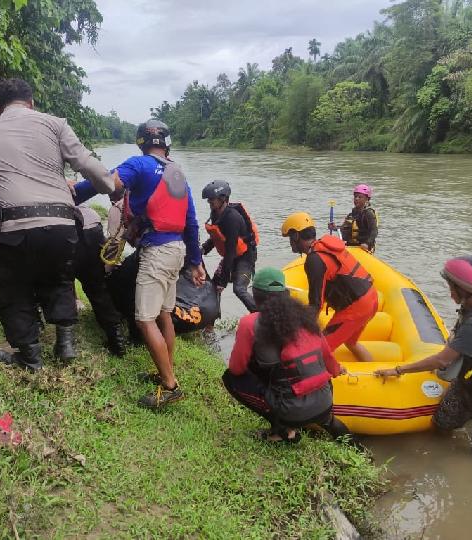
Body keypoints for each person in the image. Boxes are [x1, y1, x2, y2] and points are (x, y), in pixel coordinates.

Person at [0, 78, 115, 371]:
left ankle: (30, 355)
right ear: (32, 102)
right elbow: (88, 164)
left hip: (12, 226)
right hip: (61, 224)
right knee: (59, 276)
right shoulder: (55, 124)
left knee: (12, 287)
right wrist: (111, 186)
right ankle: (65, 344)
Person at [73, 119, 205, 409]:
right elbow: (192, 222)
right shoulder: (178, 174)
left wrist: (75, 193)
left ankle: (170, 386)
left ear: (142, 143)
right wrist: (196, 261)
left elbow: (108, 181)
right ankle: (165, 371)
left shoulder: (140, 164)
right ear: (166, 144)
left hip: (157, 252)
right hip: (177, 251)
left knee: (144, 319)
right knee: (164, 315)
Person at [376, 256, 472, 454]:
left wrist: (399, 369)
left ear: (464, 290)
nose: (449, 293)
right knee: (442, 422)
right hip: (470, 379)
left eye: (452, 287)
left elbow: (442, 360)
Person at [222, 267, 351, 443]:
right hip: (326, 402)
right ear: (285, 293)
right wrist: (338, 369)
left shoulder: (249, 323)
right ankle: (358, 450)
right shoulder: (306, 318)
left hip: (291, 410)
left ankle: (282, 430)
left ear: (256, 295)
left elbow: (236, 369)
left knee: (230, 378)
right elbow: (329, 360)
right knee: (329, 420)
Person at [281, 212, 377, 362]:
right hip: (371, 297)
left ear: (296, 237)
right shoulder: (323, 248)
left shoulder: (314, 260)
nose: (290, 243)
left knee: (319, 350)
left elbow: (316, 303)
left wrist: (302, 333)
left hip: (357, 307)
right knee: (351, 342)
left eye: (290, 238)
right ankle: (373, 372)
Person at [74, 205, 126, 356]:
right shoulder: (65, 187)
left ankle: (65, 342)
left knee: (61, 281)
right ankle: (115, 335)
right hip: (91, 224)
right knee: (96, 284)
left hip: (64, 228)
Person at [201, 180, 258, 313]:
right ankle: (210, 324)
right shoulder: (215, 213)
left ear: (223, 199)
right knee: (213, 288)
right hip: (231, 255)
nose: (209, 202)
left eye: (212, 199)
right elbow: (217, 237)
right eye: (208, 200)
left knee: (238, 289)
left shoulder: (232, 218)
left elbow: (230, 251)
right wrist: (203, 249)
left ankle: (259, 316)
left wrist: (224, 280)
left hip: (245, 257)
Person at [338, 184, 378, 252]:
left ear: (367, 199)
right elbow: (344, 228)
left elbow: (374, 231)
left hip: (363, 248)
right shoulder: (352, 214)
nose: (356, 199)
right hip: (351, 247)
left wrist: (367, 244)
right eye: (355, 197)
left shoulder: (368, 213)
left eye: (360, 197)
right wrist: (334, 227)